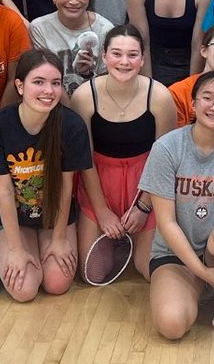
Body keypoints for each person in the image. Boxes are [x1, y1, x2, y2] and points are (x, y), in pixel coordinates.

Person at [139, 72, 214, 339]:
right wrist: (203, 273)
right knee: (172, 326)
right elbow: (166, 223)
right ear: (193, 104)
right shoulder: (166, 148)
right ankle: (205, 286)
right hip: (174, 255)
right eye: (207, 98)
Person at [0, 49, 93, 302]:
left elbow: (65, 187)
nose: (48, 91)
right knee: (24, 289)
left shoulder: (71, 125)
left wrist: (60, 239)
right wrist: (16, 250)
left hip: (53, 216)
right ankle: (24, 247)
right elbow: (4, 192)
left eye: (55, 83)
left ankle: (48, 243)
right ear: (20, 86)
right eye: (38, 82)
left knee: (57, 283)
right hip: (15, 218)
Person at [70, 25, 177, 282]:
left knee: (148, 268)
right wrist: (102, 211)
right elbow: (85, 160)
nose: (124, 62)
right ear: (104, 56)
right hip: (99, 182)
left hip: (146, 184)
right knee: (92, 274)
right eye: (117, 54)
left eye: (132, 55)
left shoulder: (160, 96)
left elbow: (164, 161)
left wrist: (143, 207)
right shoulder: (84, 96)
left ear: (142, 59)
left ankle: (131, 240)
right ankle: (116, 239)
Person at [28, 0, 115, 98]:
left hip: (95, 104)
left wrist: (87, 74)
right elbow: (43, 79)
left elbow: (108, 84)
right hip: (53, 104)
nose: (74, 1)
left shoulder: (105, 29)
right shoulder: (39, 28)